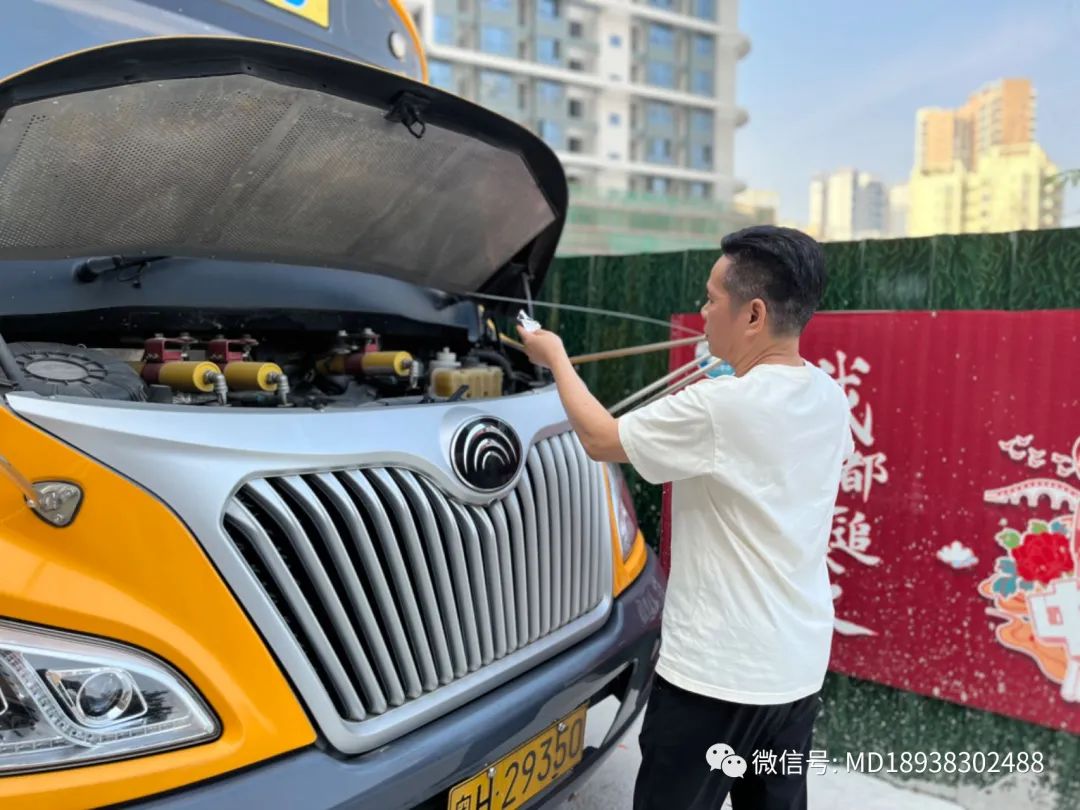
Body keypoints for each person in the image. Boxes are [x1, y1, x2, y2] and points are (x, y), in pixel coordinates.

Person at [515, 225, 853, 810]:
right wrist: (734, 378)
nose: (701, 312)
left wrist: (555, 358)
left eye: (710, 299)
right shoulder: (827, 394)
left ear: (752, 315)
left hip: (715, 678)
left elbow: (599, 437)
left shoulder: (721, 407)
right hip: (795, 669)